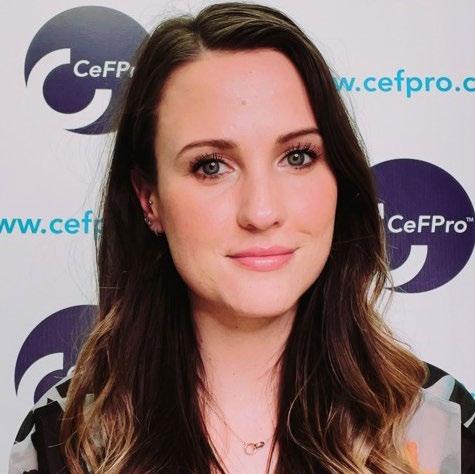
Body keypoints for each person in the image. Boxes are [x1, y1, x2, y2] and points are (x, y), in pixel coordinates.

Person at [9, 2, 475, 473]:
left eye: (297, 157)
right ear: (150, 200)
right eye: (211, 166)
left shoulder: (440, 422)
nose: (261, 211)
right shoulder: (62, 439)